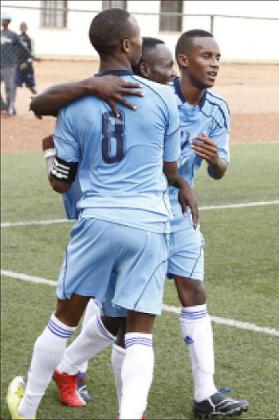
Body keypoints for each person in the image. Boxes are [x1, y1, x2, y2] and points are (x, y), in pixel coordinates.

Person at [33, 33, 249, 419]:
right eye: (207, 56)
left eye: (219, 56)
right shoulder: (137, 92)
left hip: (180, 213)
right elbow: (46, 106)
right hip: (137, 213)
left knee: (192, 289)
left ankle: (206, 393)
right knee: (117, 316)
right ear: (181, 62)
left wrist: (215, 161)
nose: (216, 64)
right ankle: (68, 367)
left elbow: (220, 168)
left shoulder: (217, 108)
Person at [6, 9, 196, 420]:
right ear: (127, 46)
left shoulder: (75, 104)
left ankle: (29, 407)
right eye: (139, 37)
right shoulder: (164, 96)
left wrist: (52, 158)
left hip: (96, 222)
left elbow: (61, 182)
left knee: (63, 321)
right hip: (149, 224)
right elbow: (169, 170)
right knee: (140, 334)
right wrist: (179, 183)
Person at [1, 11, 33, 115]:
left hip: (9, 65)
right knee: (9, 87)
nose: (2, 21)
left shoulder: (13, 35)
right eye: (1, 19)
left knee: (9, 87)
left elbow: (24, 47)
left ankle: (10, 109)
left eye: (3, 20)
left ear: (8, 21)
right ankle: (2, 105)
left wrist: (30, 58)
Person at [16, 22, 37, 95]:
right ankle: (11, 103)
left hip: (28, 67)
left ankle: (37, 98)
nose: (23, 29)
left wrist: (26, 63)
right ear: (20, 29)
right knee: (14, 85)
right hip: (18, 66)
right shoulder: (16, 39)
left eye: (24, 27)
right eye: (22, 27)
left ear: (27, 29)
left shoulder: (30, 40)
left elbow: (33, 54)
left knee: (30, 86)